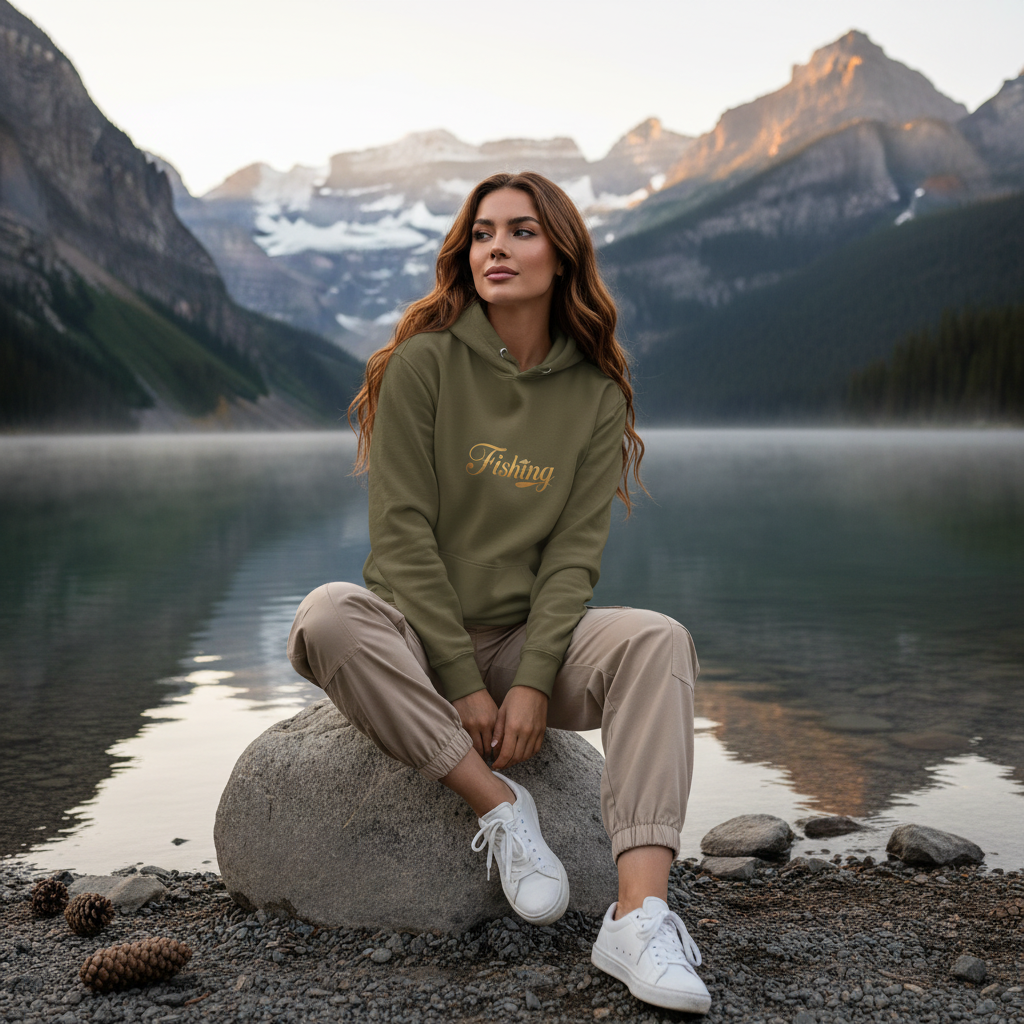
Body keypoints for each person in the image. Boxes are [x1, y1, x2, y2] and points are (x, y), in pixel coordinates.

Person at [287, 171, 710, 1014]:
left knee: (659, 639)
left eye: (520, 231)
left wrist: (531, 680)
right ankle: (500, 806)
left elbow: (571, 560)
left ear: (562, 255)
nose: (496, 249)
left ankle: (638, 918)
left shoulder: (595, 394)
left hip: (523, 639)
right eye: (482, 233)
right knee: (325, 616)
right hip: (413, 636)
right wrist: (462, 683)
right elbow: (401, 536)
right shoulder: (422, 363)